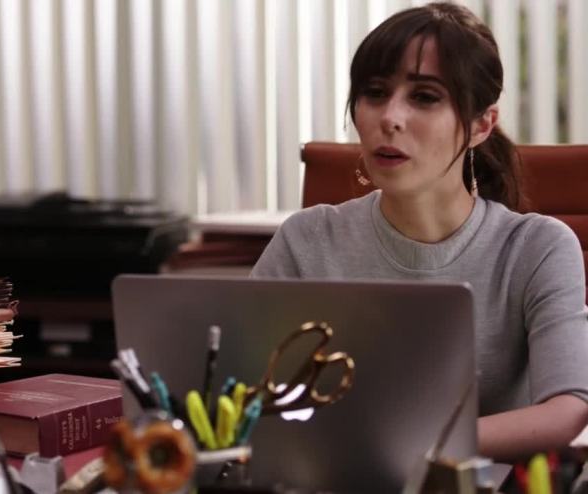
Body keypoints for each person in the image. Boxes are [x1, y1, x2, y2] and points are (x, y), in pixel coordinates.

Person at [251, 2, 588, 461]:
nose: (390, 117)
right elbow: (242, 390)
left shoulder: (536, 247)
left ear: (481, 124)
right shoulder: (306, 240)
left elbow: (567, 409)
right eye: (374, 93)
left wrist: (414, 444)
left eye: (425, 97)